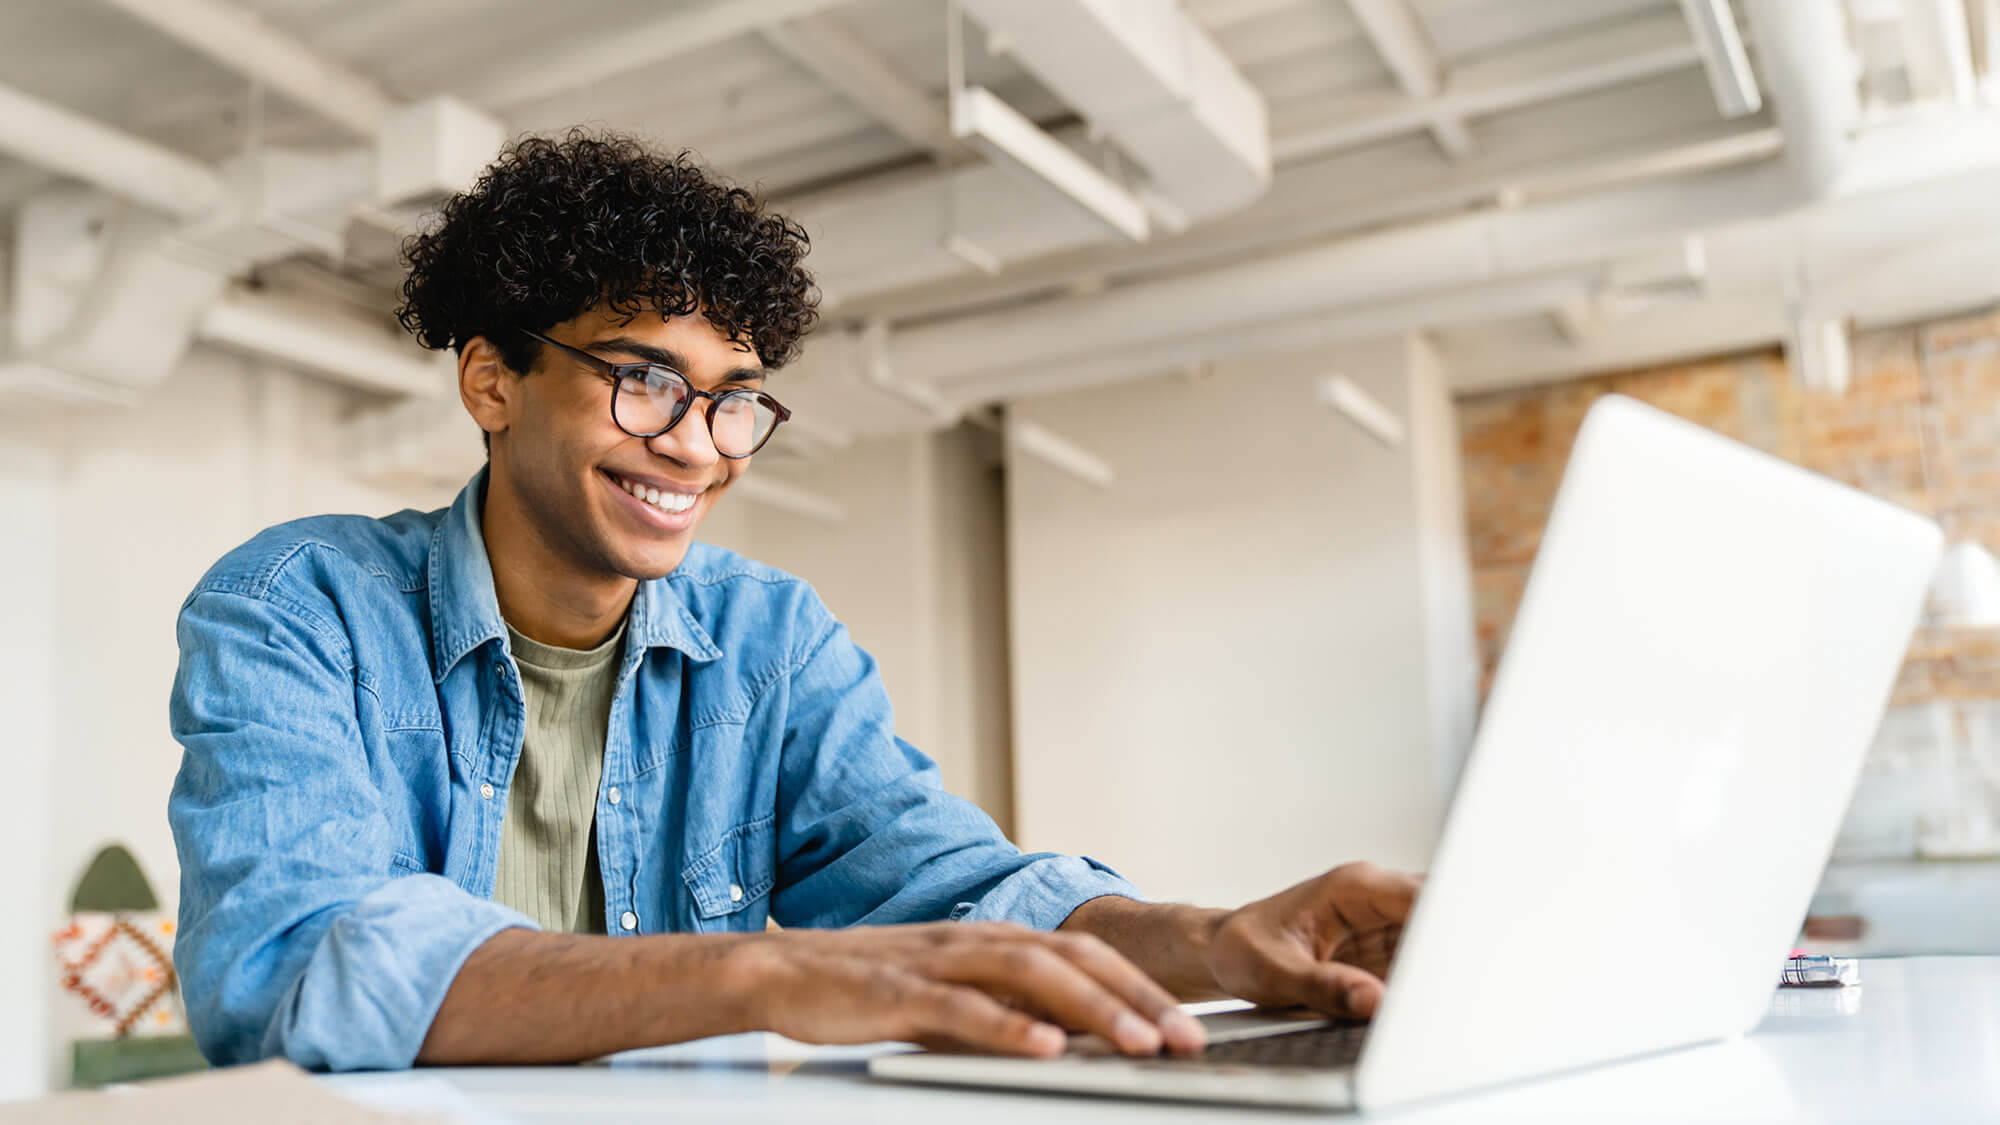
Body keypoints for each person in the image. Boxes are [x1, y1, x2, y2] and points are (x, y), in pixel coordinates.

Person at [167, 130, 1419, 1071]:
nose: (697, 445)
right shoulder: (299, 606)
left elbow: (950, 889)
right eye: (642, 378)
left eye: (732, 397)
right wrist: (770, 971)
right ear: (491, 381)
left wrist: (1217, 941)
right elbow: (295, 967)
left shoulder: (769, 639)